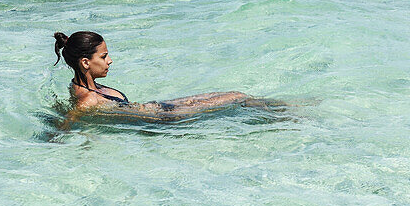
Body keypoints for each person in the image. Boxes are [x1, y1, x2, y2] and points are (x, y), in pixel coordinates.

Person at [52, 30, 292, 129]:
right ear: (85, 62)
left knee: (237, 94)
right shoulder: (87, 99)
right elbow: (71, 119)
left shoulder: (86, 86)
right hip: (166, 118)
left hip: (160, 107)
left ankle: (284, 112)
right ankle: (289, 114)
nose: (110, 61)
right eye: (104, 57)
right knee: (237, 99)